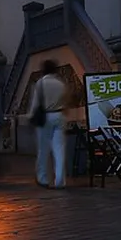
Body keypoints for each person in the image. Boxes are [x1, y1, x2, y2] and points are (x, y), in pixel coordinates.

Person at [28, 59, 68, 189]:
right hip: (59, 115)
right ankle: (60, 180)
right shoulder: (61, 83)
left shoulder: (40, 83)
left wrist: (31, 117)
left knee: (43, 149)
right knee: (59, 149)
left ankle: (43, 178)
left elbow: (35, 103)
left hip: (45, 116)